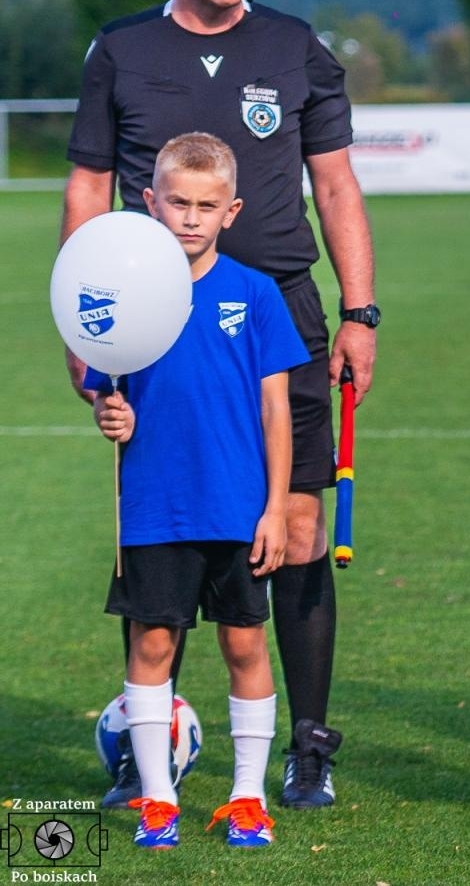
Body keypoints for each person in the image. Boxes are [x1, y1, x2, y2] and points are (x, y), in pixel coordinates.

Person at [63, 0, 376, 810]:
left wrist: (359, 312)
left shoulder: (294, 48)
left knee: (299, 524)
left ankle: (307, 747)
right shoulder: (121, 48)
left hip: (278, 307)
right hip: (150, 321)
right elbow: (85, 193)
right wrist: (82, 327)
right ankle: (147, 757)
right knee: (158, 526)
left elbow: (337, 185)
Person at [87, 133, 308, 849]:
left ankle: (247, 798)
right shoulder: (123, 295)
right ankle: (158, 799)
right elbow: (107, 395)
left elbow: (277, 410)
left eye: (205, 206)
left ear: (231, 210)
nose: (189, 217)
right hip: (155, 505)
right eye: (176, 202)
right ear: (150, 202)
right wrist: (108, 413)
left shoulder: (255, 293)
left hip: (239, 507)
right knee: (152, 642)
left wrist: (275, 507)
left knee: (246, 645)